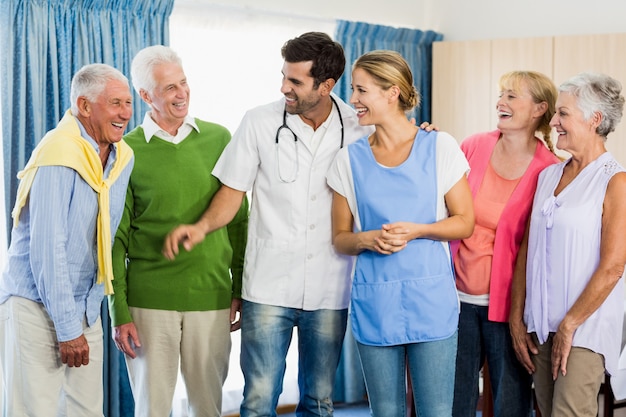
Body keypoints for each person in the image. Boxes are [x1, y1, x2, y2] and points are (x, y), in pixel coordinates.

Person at [161, 32, 374, 416]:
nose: (284, 88)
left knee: (319, 399)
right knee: (259, 399)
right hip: (269, 286)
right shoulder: (259, 122)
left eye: (295, 81)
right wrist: (200, 227)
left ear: (326, 86)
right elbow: (231, 193)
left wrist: (421, 133)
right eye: (283, 76)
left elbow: (398, 153)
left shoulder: (359, 128)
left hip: (331, 284)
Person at [327, 50, 474, 417]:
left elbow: (465, 221)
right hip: (376, 303)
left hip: (431, 302)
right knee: (385, 412)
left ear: (392, 92)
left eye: (361, 90)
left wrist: (418, 230)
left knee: (436, 411)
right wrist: (369, 239)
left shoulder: (440, 146)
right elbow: (341, 238)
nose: (353, 100)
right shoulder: (348, 159)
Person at [107, 45, 248, 417]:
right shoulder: (126, 151)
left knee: (208, 407)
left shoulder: (218, 139)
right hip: (148, 302)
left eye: (183, 82)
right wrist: (118, 311)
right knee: (152, 408)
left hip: (211, 295)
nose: (181, 93)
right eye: (169, 87)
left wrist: (240, 288)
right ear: (145, 95)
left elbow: (239, 221)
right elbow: (114, 240)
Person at [0, 63, 134, 416]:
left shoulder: (122, 157)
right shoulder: (58, 154)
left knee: (86, 411)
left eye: (129, 103)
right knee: (33, 410)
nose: (126, 114)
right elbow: (48, 251)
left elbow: (103, 237)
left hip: (86, 307)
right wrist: (66, 328)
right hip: (35, 304)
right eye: (116, 103)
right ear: (84, 106)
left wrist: (83, 320)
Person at [510, 72, 626, 417]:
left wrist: (570, 325)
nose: (554, 121)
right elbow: (527, 252)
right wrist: (518, 319)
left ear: (595, 119)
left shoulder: (615, 181)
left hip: (583, 329)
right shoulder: (548, 176)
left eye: (563, 113)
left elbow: (613, 266)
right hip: (541, 326)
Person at [450, 71, 559, 417]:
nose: (501, 102)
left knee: (510, 402)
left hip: (508, 307)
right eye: (501, 95)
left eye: (513, 96)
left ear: (540, 108)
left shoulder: (550, 170)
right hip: (455, 298)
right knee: (455, 400)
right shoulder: (473, 146)